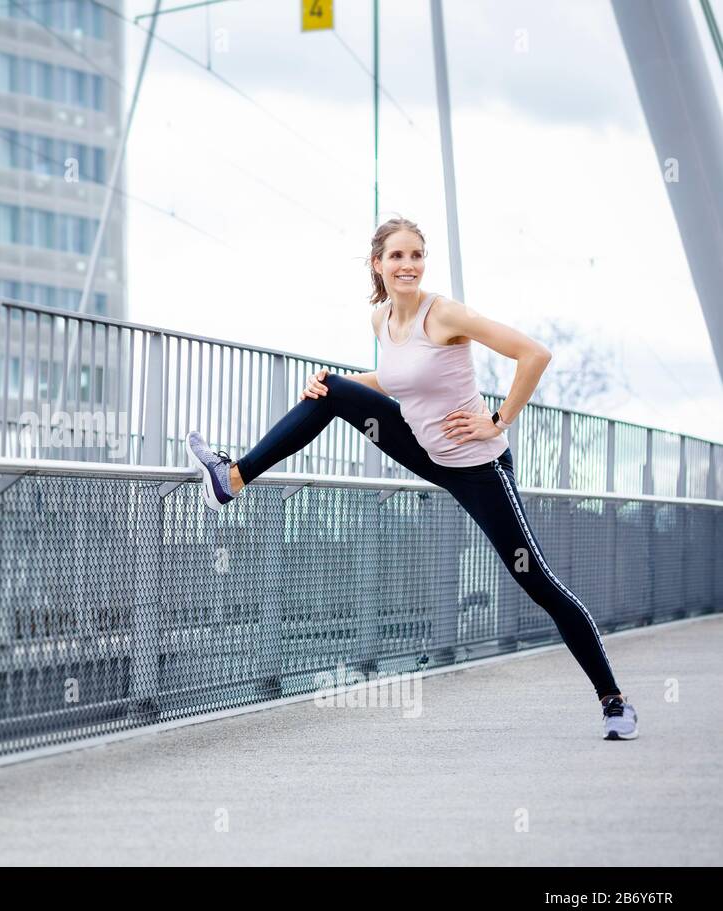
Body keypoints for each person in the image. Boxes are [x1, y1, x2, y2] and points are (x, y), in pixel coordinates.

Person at [185, 216, 637, 740]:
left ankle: (614, 701)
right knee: (328, 388)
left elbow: (534, 354)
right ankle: (232, 479)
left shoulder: (444, 314)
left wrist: (497, 420)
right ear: (377, 264)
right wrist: (341, 386)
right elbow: (399, 378)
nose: (408, 265)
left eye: (416, 255)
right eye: (397, 256)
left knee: (535, 581)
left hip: (477, 466)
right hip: (424, 450)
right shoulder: (381, 320)